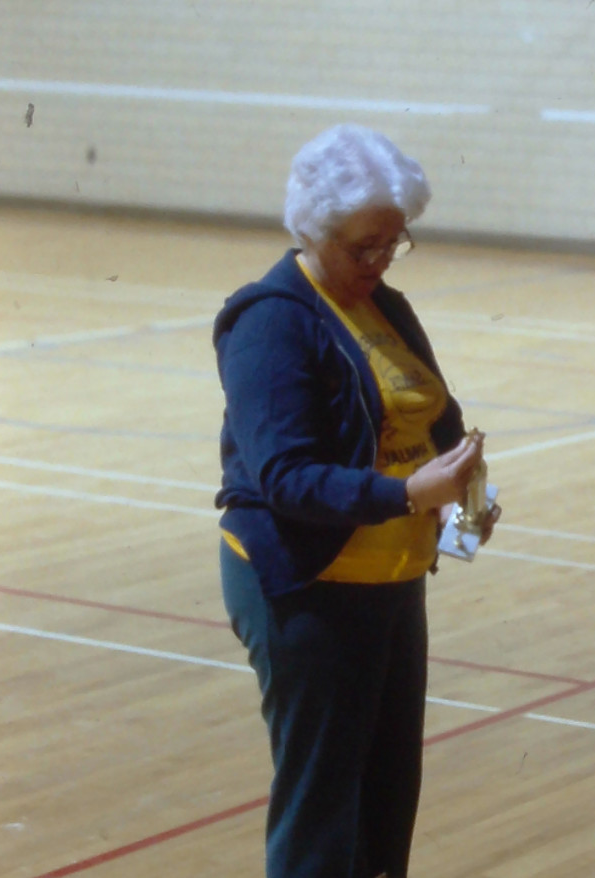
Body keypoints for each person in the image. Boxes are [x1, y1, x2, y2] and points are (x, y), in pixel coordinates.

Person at [213, 123, 500, 878]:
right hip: (308, 585)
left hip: (392, 583)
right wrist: (408, 493)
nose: (379, 261)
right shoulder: (270, 321)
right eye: (362, 246)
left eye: (393, 242)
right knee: (322, 811)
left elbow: (436, 419)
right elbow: (284, 477)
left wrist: (460, 497)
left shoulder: (387, 307)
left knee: (385, 802)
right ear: (312, 230)